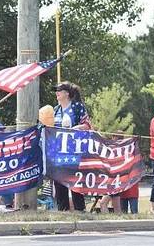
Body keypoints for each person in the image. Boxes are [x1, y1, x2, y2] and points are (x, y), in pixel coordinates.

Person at [52, 81, 91, 212]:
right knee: (59, 181)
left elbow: (87, 125)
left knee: (75, 181)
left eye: (59, 90)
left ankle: (80, 210)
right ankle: (63, 210)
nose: (56, 93)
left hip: (74, 150)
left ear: (67, 93)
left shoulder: (77, 107)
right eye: (56, 90)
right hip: (58, 151)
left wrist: (74, 129)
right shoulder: (55, 110)